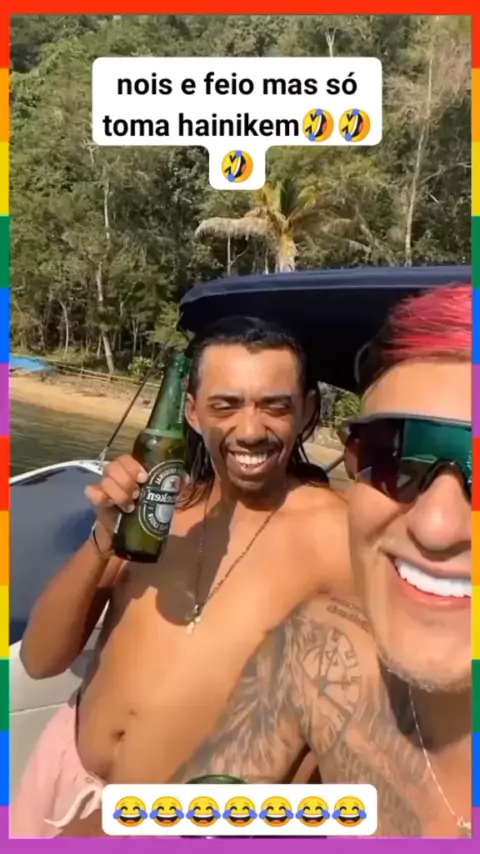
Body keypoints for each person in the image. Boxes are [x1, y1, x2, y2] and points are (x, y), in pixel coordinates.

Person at [59, 282, 471, 837]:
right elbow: (193, 812)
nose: (436, 525)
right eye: (392, 453)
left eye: (273, 405)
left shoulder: (327, 548)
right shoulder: (320, 656)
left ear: (306, 413)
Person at [11, 315, 352, 837]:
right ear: (192, 412)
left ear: (307, 411)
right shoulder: (162, 509)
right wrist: (104, 535)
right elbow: (40, 660)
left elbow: (342, 738)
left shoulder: (339, 538)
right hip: (59, 775)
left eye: (275, 406)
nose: (250, 430)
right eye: (225, 405)